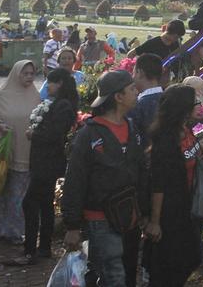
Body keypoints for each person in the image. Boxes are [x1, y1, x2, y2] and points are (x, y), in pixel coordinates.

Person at [62, 70, 147, 287]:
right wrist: (72, 225)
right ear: (118, 97)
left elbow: (140, 171)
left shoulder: (132, 128)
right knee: (114, 276)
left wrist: (145, 213)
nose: (137, 92)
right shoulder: (89, 134)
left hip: (129, 216)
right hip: (100, 218)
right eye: (132, 89)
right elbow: (75, 179)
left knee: (123, 274)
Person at [3, 67, 79, 266]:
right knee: (45, 203)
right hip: (44, 160)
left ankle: (30, 250)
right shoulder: (57, 103)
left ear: (59, 83)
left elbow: (55, 134)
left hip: (48, 161)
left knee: (30, 202)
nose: (48, 86)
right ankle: (44, 247)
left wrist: (33, 134)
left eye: (50, 82)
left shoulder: (62, 105)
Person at [145, 84, 203, 286]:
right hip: (170, 212)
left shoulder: (185, 130)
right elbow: (159, 184)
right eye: (195, 102)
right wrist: (154, 222)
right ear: (183, 107)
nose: (198, 106)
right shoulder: (165, 140)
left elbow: (187, 156)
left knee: (191, 258)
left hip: (187, 206)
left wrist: (200, 149)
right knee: (170, 265)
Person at [0, 60, 42, 244]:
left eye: (32, 73)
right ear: (16, 74)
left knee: (18, 195)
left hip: (25, 153)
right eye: (25, 73)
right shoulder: (0, 96)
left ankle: (13, 231)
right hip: (3, 154)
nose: (29, 77)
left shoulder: (35, 97)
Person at [127, 53, 166, 149]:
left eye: (133, 72)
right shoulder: (170, 98)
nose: (132, 77)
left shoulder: (137, 106)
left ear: (140, 73)